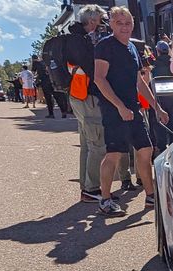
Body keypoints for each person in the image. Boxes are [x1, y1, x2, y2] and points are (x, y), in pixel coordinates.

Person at [93, 6, 168, 217]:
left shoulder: (132, 48)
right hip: (114, 109)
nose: (124, 27)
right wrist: (119, 106)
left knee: (146, 150)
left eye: (127, 23)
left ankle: (151, 196)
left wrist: (157, 107)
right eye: (119, 23)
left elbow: (139, 81)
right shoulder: (105, 46)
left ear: (133, 25)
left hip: (133, 109)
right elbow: (99, 78)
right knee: (113, 154)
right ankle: (105, 200)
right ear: (111, 24)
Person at [65, 4, 114, 202]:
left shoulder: (73, 39)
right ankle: (92, 188)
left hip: (78, 96)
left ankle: (87, 186)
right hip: (88, 97)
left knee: (87, 143)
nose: (102, 24)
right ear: (92, 20)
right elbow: (94, 71)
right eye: (101, 20)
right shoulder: (82, 42)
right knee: (98, 145)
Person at [32, 54, 68, 119]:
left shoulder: (36, 63)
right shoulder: (52, 61)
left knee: (48, 98)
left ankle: (51, 114)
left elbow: (33, 72)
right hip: (54, 81)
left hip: (45, 82)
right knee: (57, 96)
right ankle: (63, 112)